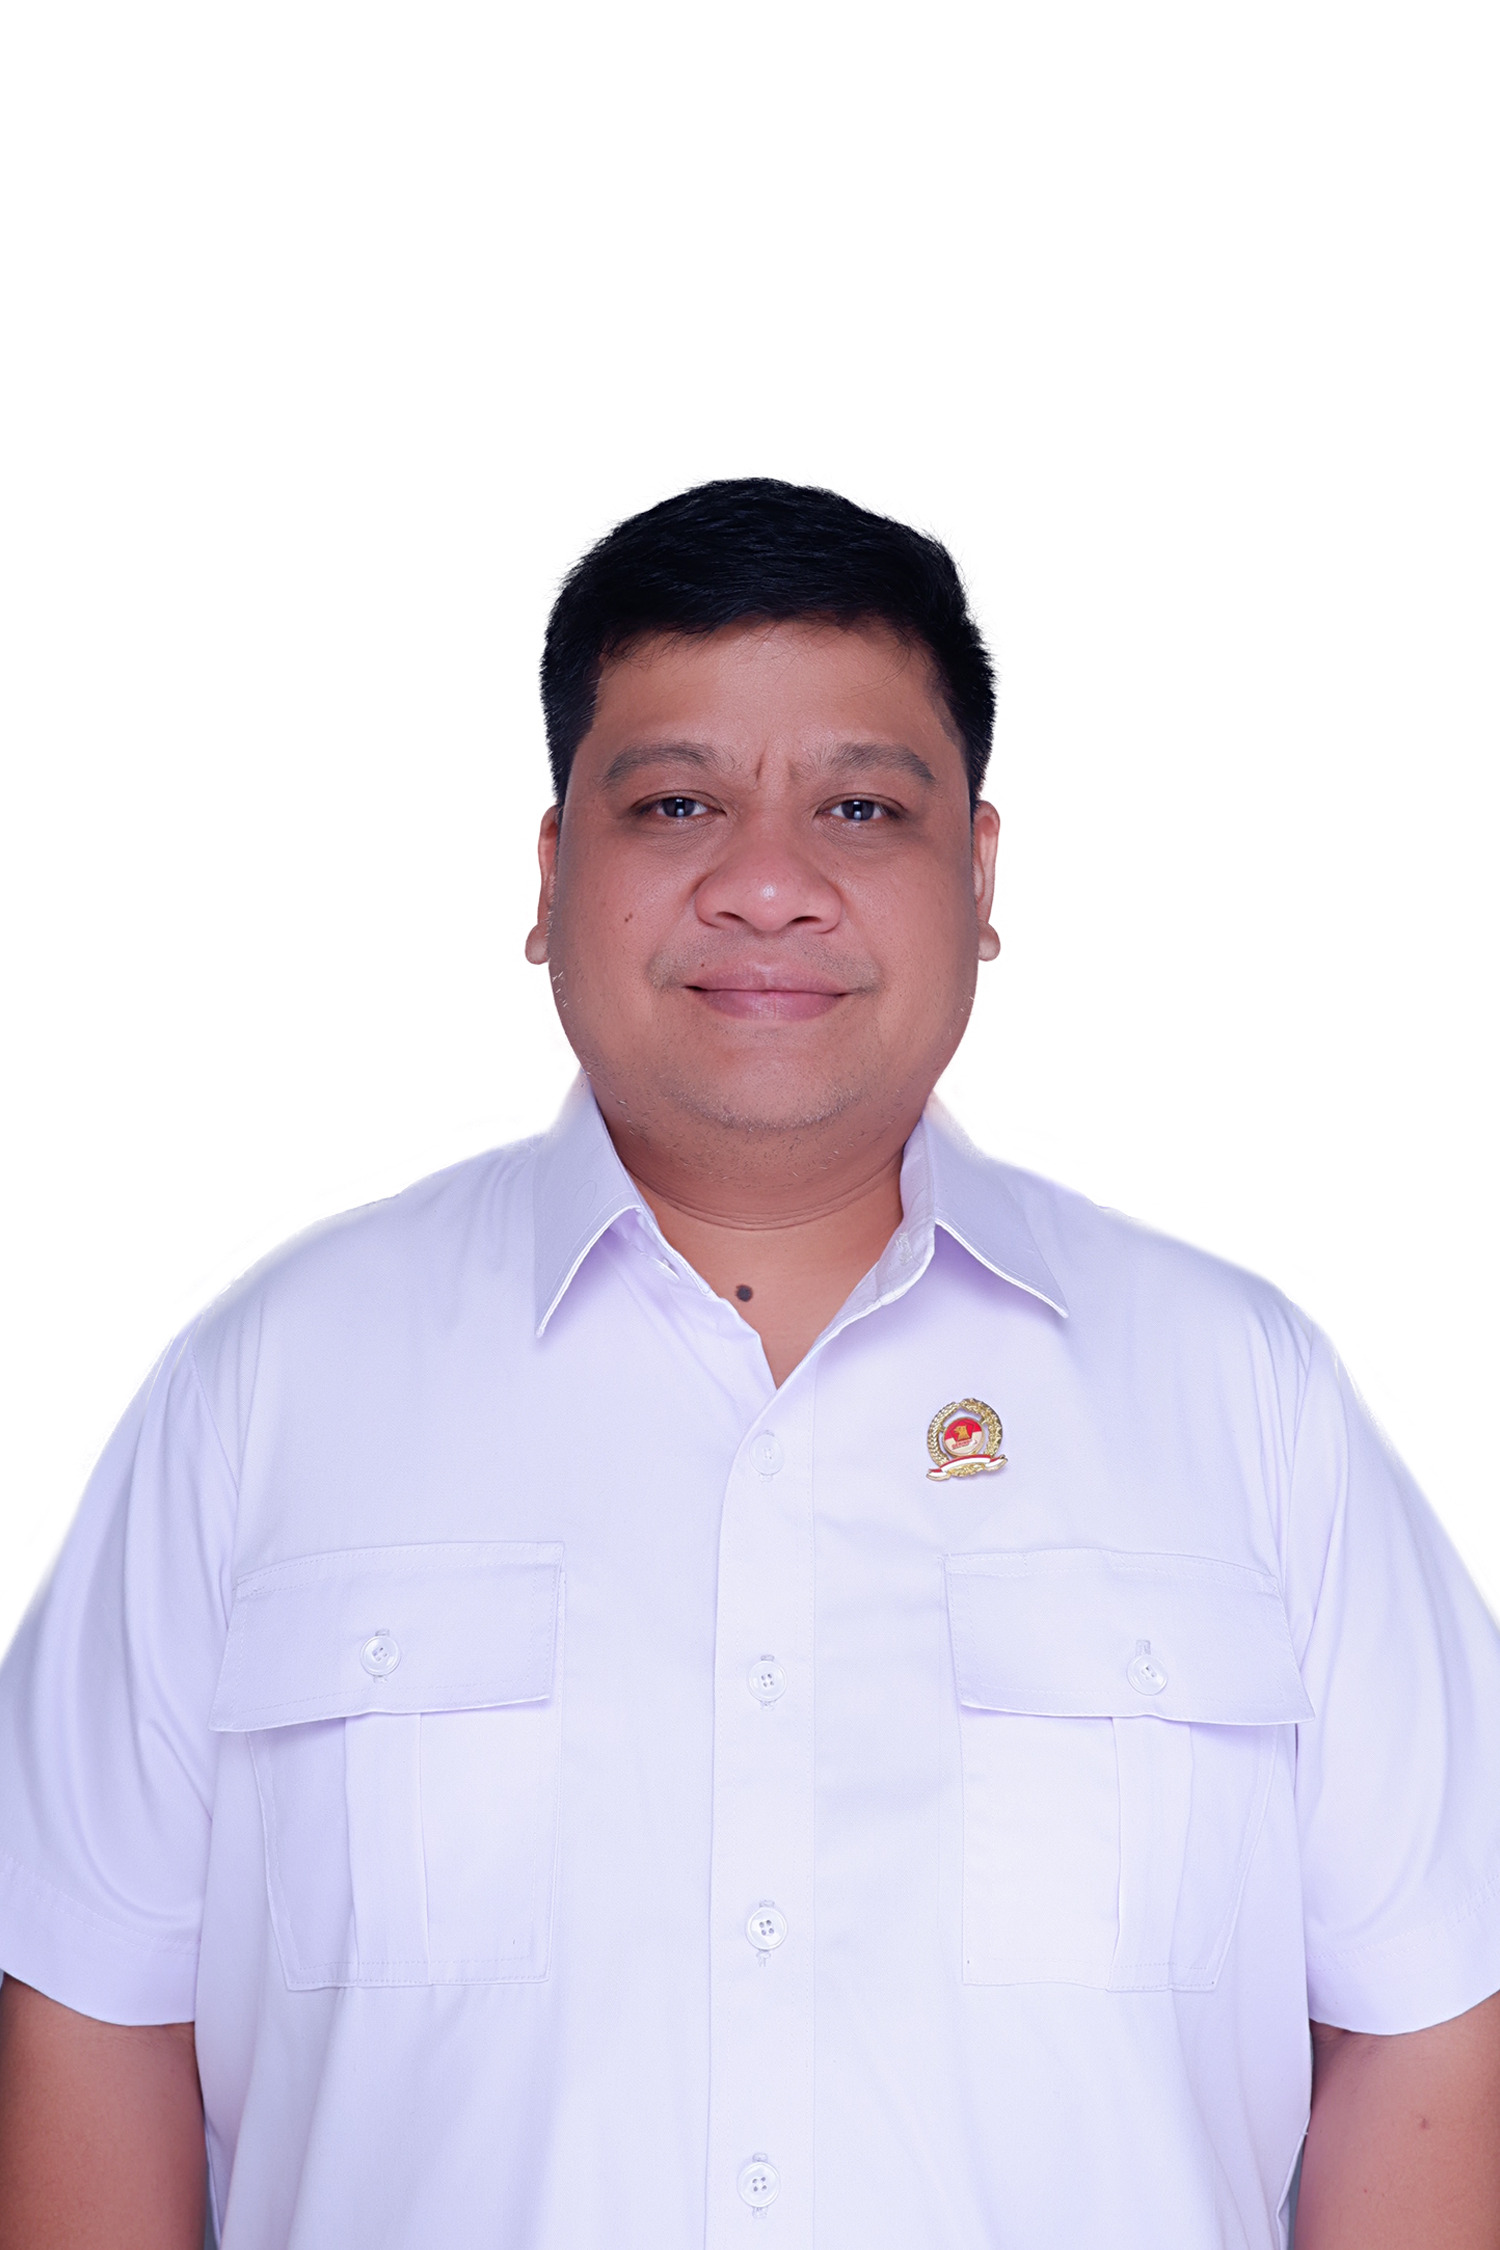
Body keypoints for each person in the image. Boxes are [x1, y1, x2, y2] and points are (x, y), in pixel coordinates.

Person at [0, 478, 1497, 2250]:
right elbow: (89, 2014)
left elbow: (1430, 2017)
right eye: (677, 804)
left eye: (861, 807)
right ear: (551, 875)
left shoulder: (1245, 1399)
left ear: (980, 875)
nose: (769, 884)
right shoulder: (265, 1393)